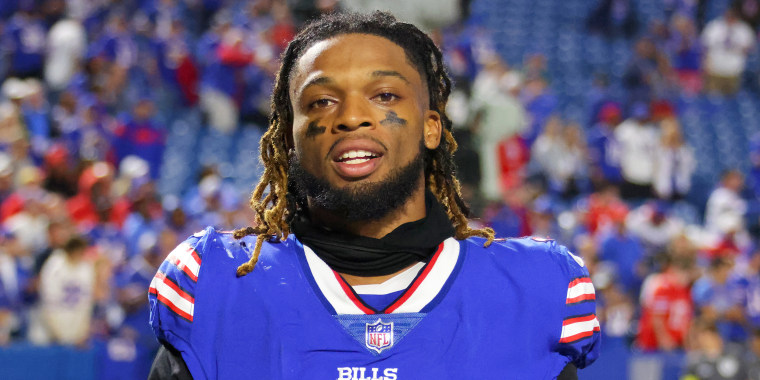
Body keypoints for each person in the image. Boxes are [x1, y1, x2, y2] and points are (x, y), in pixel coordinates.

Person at [148, 12, 600, 379]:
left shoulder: (531, 289)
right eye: (321, 101)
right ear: (289, 138)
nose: (351, 117)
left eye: (384, 95)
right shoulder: (219, 283)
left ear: (431, 127)